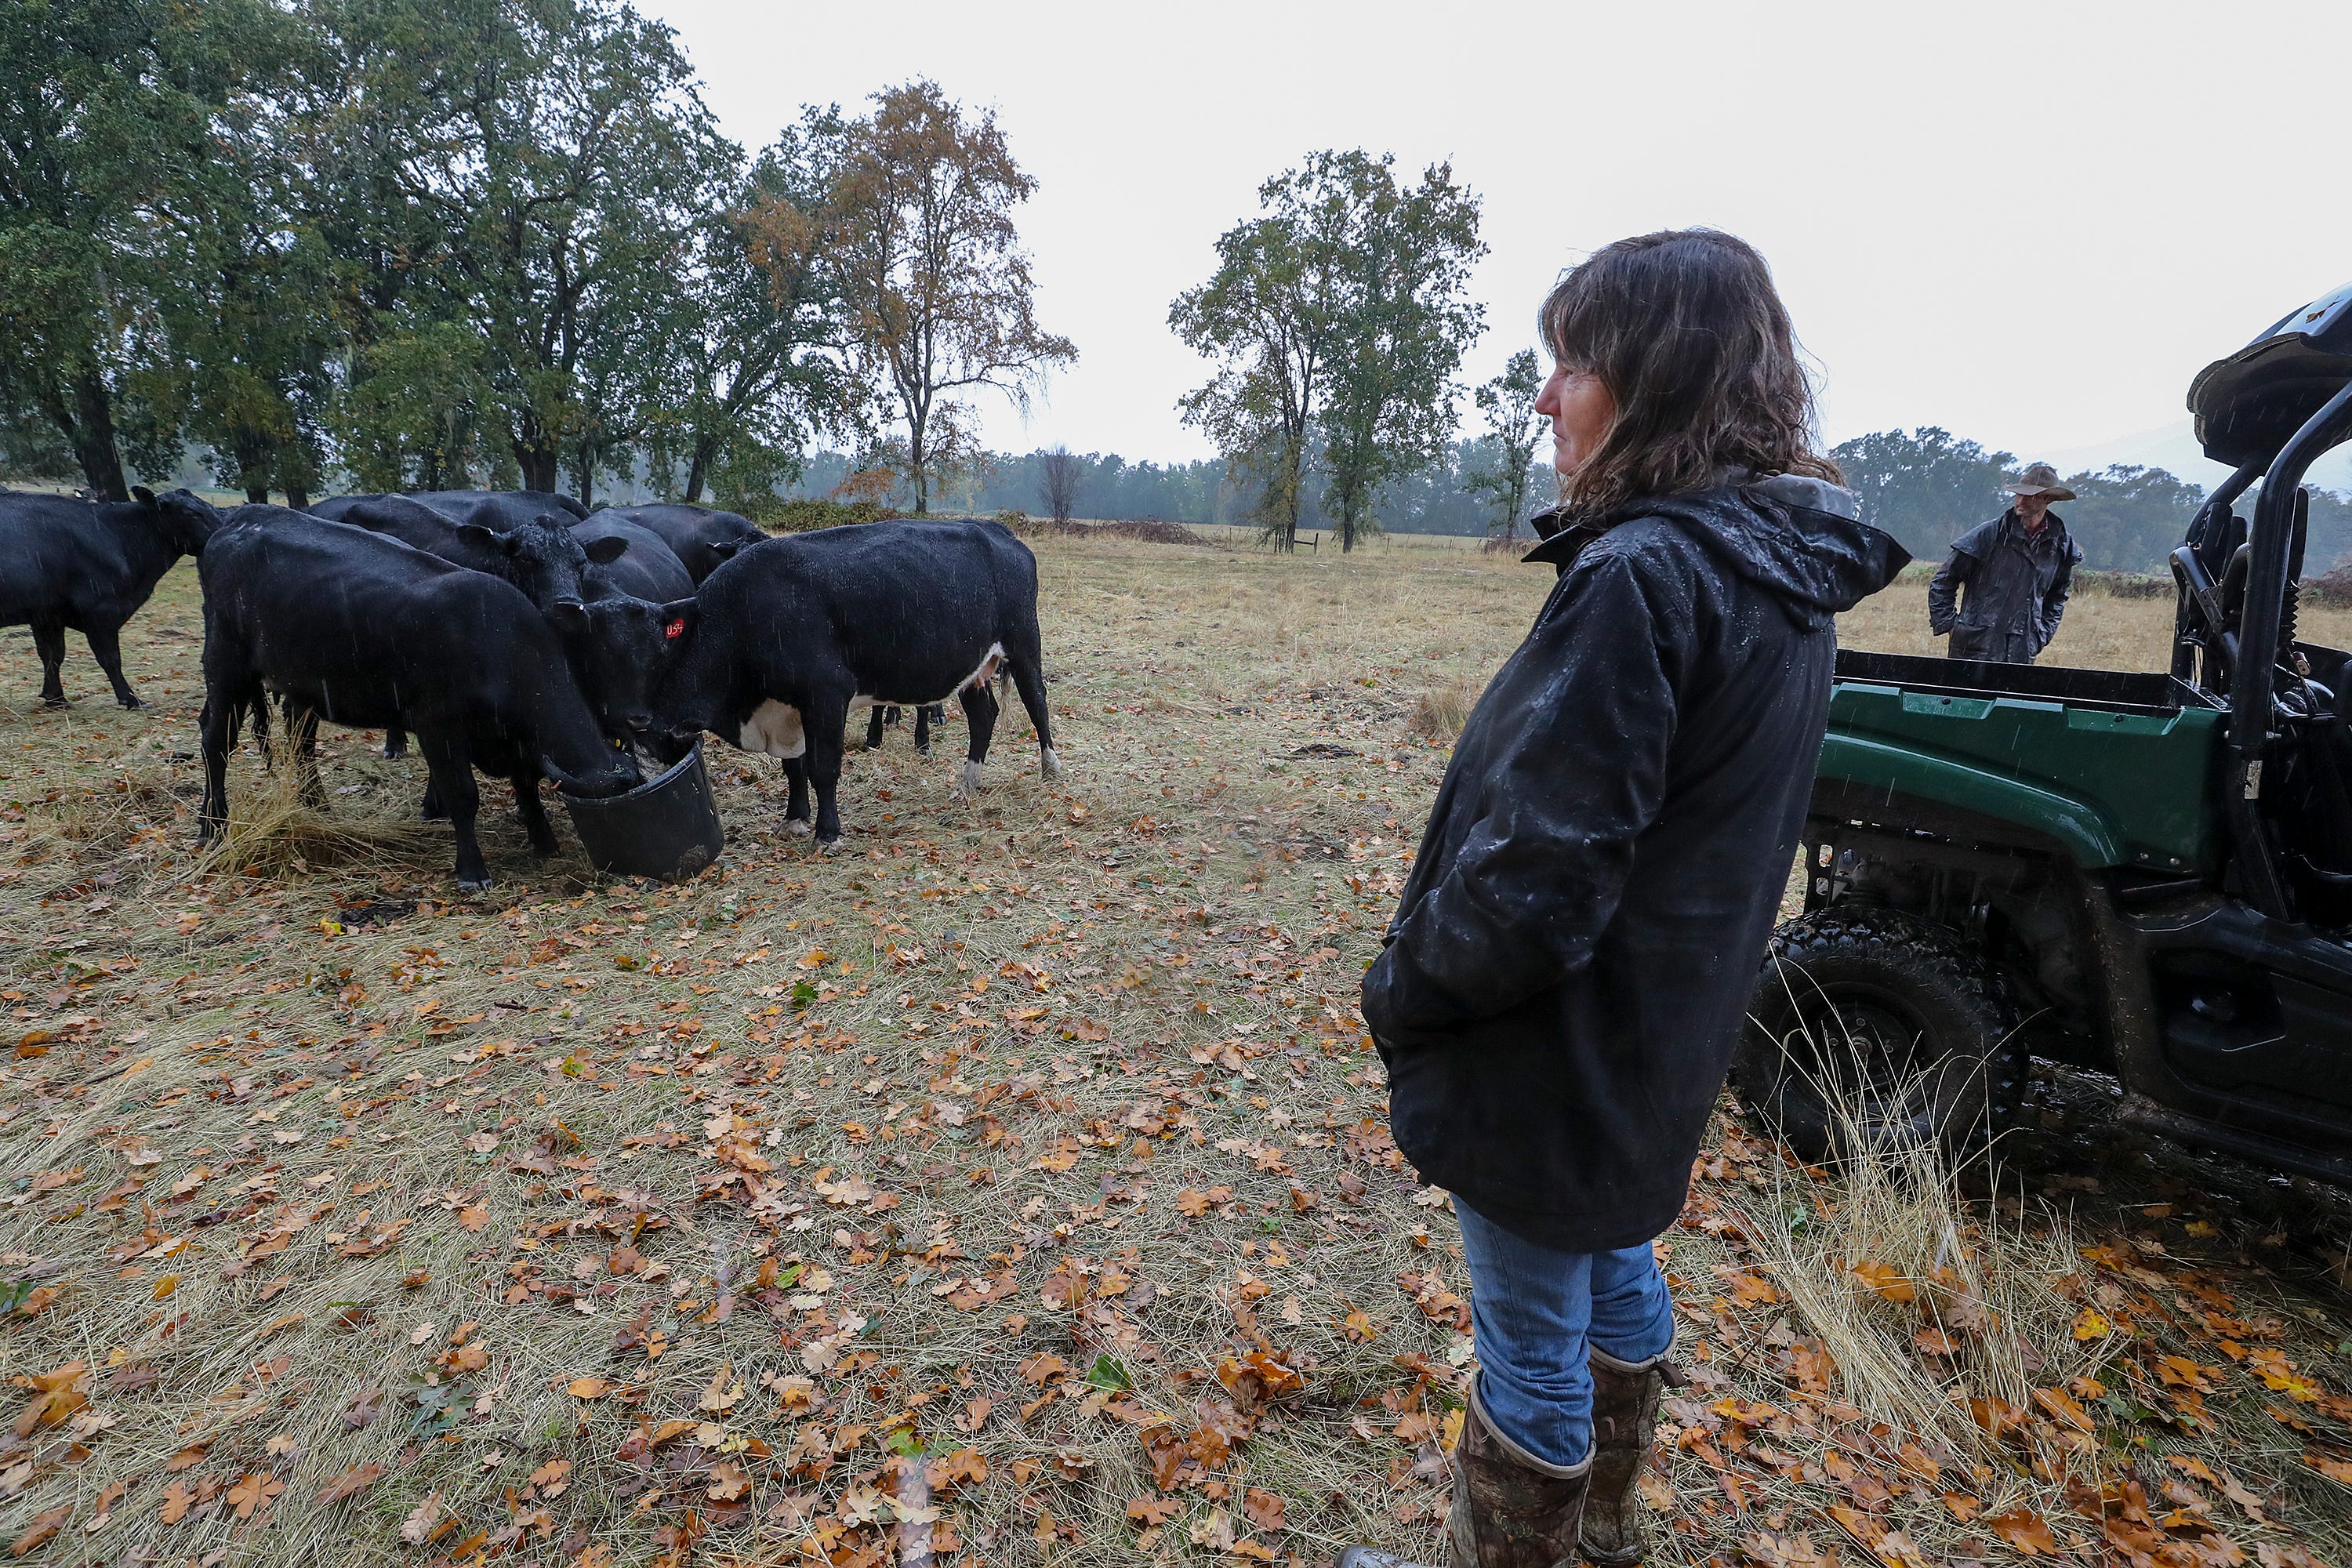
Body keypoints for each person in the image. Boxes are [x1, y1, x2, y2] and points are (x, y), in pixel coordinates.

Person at [1338, 231, 1907, 1568]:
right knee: (1612, 1261)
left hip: (1563, 1041)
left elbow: (1536, 883)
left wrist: (1403, 990)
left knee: (1530, 1335)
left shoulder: (1648, 573)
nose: (1547, 399)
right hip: (1663, 1029)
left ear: (1656, 380)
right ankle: (1600, 1540)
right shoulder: (1778, 566)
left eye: (1573, 364)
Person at [1926, 463, 2082, 662]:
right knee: (1966, 695)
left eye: (2030, 495)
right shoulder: (1988, 535)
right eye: (2019, 493)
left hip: (2021, 652)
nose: (2020, 500)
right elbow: (1943, 581)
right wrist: (1951, 626)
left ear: (2048, 499)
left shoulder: (2061, 545)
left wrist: (2040, 636)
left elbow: (2057, 597)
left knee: (2011, 695)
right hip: (1973, 651)